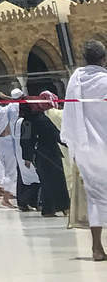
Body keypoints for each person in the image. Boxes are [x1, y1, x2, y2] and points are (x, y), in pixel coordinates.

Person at [61, 39, 107, 261]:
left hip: (85, 146)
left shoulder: (75, 80)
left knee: (96, 196)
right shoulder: (105, 81)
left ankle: (97, 248)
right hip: (105, 145)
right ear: (103, 59)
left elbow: (69, 112)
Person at [20, 97, 70, 217]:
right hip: (49, 154)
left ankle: (49, 209)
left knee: (47, 182)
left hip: (40, 156)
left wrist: (27, 157)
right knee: (57, 181)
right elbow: (55, 134)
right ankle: (62, 207)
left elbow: (26, 141)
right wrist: (69, 144)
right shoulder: (38, 119)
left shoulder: (28, 121)